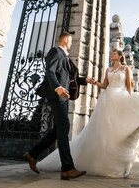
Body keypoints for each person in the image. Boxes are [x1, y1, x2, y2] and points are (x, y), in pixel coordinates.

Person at [36, 48, 139, 178]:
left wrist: (130, 101)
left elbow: (129, 86)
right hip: (108, 99)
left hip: (121, 99)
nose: (112, 55)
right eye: (112, 53)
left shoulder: (126, 69)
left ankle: (124, 164)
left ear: (120, 56)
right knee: (107, 132)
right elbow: (104, 85)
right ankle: (110, 163)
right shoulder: (108, 70)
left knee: (121, 130)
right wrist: (94, 82)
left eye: (114, 54)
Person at [23, 31, 93, 181]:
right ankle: (67, 168)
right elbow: (50, 71)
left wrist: (85, 80)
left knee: (59, 129)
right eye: (71, 40)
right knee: (63, 127)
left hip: (63, 94)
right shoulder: (56, 51)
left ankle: (32, 154)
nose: (72, 43)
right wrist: (57, 88)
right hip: (57, 94)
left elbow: (70, 77)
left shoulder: (65, 56)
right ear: (66, 40)